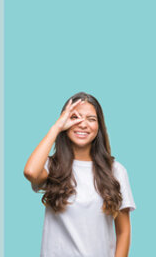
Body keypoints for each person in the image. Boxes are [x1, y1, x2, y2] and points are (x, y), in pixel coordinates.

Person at [23, 92, 133, 257]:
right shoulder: (52, 167)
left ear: (99, 126)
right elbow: (30, 171)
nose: (83, 124)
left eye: (91, 119)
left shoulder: (116, 171)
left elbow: (123, 232)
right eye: (75, 117)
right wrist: (57, 127)